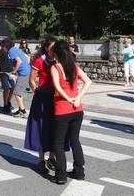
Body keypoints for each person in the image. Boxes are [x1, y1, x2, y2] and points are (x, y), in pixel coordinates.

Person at [51, 40, 91, 184]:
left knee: (59, 143)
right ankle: (79, 171)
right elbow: (88, 81)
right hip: (77, 109)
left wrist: (68, 98)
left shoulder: (56, 67)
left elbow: (57, 86)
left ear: (56, 53)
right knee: (75, 141)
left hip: (62, 109)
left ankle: (61, 175)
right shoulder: (74, 66)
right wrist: (77, 97)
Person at [24, 35, 57, 174]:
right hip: (43, 96)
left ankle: (53, 158)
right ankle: (41, 160)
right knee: (41, 127)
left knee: (55, 127)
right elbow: (31, 80)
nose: (55, 49)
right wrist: (37, 92)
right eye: (52, 47)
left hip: (56, 97)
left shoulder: (59, 60)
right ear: (46, 47)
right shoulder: (39, 61)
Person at [1, 38, 31, 118]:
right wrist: (26, 66)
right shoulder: (16, 49)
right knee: (19, 92)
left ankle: (23, 112)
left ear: (5, 46)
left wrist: (14, 71)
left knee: (17, 93)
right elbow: (27, 58)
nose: (2, 48)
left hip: (23, 73)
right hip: (26, 71)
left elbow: (19, 61)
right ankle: (21, 110)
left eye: (2, 46)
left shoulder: (11, 51)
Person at [0, 40, 14, 114]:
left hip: (11, 72)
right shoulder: (0, 51)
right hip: (4, 72)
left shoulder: (10, 51)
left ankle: (8, 102)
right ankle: (5, 104)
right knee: (6, 88)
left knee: (13, 88)